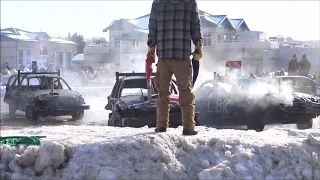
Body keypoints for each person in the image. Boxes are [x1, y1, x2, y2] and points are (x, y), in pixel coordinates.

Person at [147, 0, 203, 135]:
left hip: (164, 56)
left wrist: (151, 47)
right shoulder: (190, 3)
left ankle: (161, 126)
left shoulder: (158, 3)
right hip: (182, 56)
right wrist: (198, 44)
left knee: (163, 93)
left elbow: (152, 27)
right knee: (185, 92)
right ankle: (188, 127)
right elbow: (195, 26)